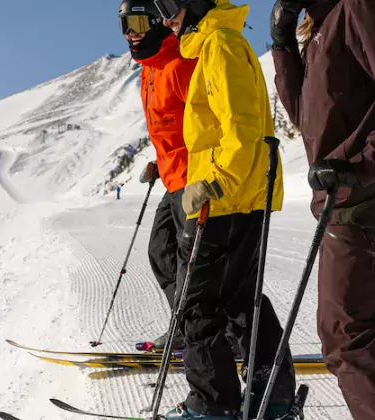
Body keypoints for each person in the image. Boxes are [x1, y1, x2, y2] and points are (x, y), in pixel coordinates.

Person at [151, 0, 296, 418]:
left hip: (225, 199)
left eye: (169, 5)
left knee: (196, 306)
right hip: (237, 196)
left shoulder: (219, 46)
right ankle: (273, 397)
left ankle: (211, 406)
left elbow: (242, 126)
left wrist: (212, 182)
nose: (165, 18)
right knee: (238, 301)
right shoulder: (220, 44)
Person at [270, 0, 375, 418]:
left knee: (346, 339)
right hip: (346, 198)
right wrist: (282, 44)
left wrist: (362, 166)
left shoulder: (356, 8)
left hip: (358, 200)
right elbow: (305, 115)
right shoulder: (322, 24)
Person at [119, 0, 197, 349]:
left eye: (136, 21)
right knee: (161, 251)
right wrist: (158, 159)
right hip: (172, 177)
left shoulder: (180, 63)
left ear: (158, 21)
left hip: (195, 180)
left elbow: (205, 125)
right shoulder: (150, 70)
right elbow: (171, 126)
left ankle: (209, 336)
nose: (131, 32)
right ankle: (186, 329)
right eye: (124, 24)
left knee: (194, 267)